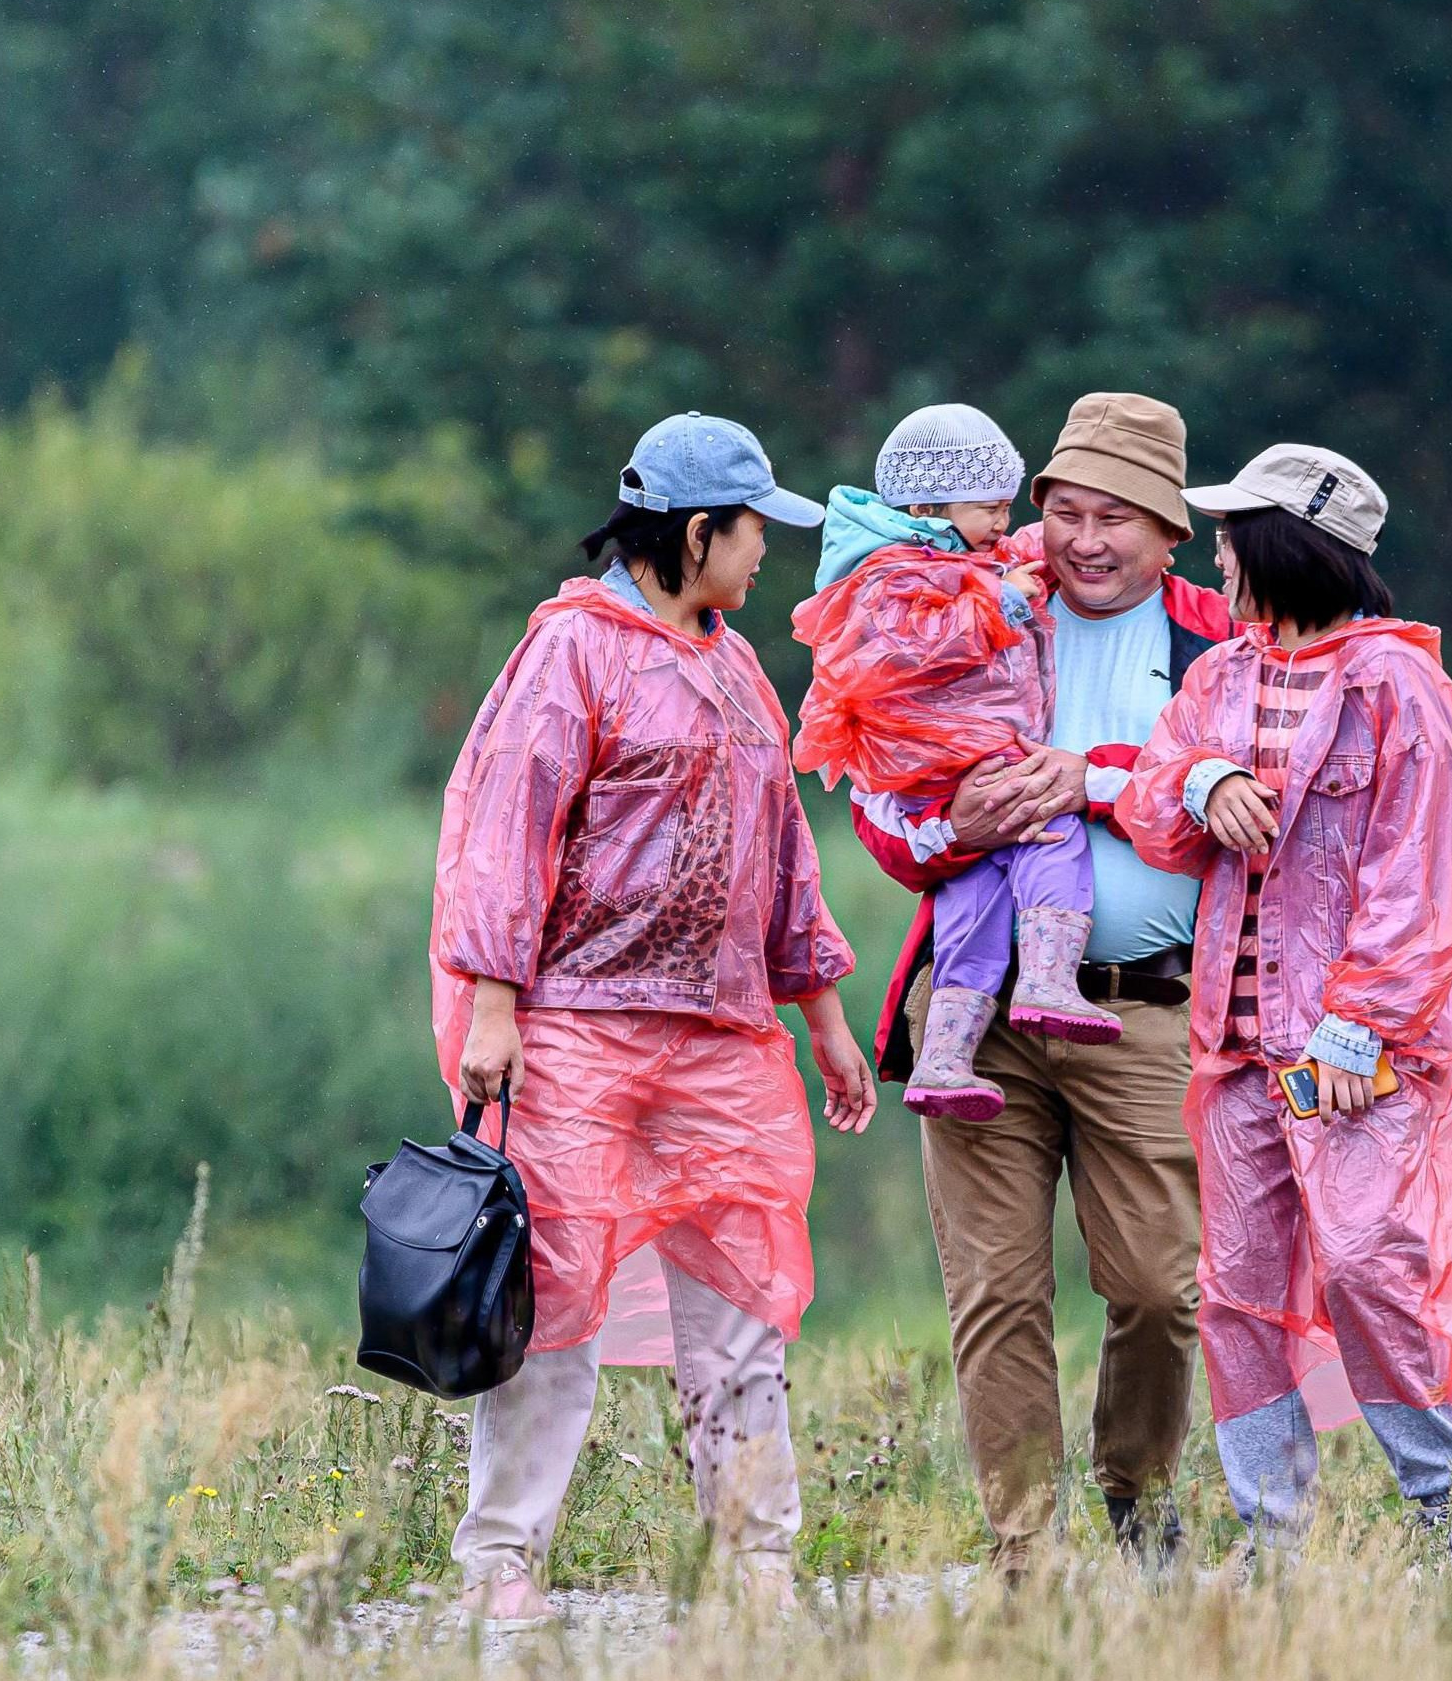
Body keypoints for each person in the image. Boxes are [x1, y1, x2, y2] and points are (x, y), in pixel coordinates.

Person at [430, 411, 880, 1626]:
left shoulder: (736, 665)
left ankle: (755, 1562)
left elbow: (786, 854)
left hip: (723, 1032)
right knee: (555, 1298)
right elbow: (507, 829)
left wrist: (821, 1013)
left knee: (740, 1299)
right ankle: (499, 1563)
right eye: (752, 534)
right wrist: (493, 1002)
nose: (763, 556)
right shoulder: (570, 653)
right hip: (576, 1023)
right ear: (695, 533)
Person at [1108, 444, 1452, 1587]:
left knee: (1362, 1261)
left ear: (1290, 544)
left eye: (1235, 531)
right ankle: (1272, 1539)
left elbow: (1424, 876)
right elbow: (1155, 800)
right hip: (1237, 1049)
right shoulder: (1223, 679)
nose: (1219, 551)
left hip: (1352, 1055)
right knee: (1236, 1286)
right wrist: (1203, 781)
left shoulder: (1404, 693)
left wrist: (1363, 1025)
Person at [845, 393, 1232, 1575]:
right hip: (978, 1017)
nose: (1084, 540)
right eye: (1063, 511)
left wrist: (1092, 781)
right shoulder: (973, 601)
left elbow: (1238, 792)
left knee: (1162, 1287)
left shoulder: (1218, 640)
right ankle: (1026, 1545)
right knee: (997, 1292)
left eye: (1117, 517)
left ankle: (1135, 1493)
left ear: (1169, 532)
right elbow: (879, 779)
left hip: (1143, 1008)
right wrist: (945, 825)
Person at [793, 404, 1126, 1123]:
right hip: (949, 759)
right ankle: (1046, 977)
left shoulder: (969, 557)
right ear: (927, 505)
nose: (1002, 524)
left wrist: (1080, 525)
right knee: (1052, 832)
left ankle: (945, 1060)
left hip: (954, 772)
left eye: (1008, 507)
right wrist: (999, 604)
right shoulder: (888, 574)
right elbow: (902, 648)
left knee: (970, 902)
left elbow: (1025, 551)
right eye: (989, 508)